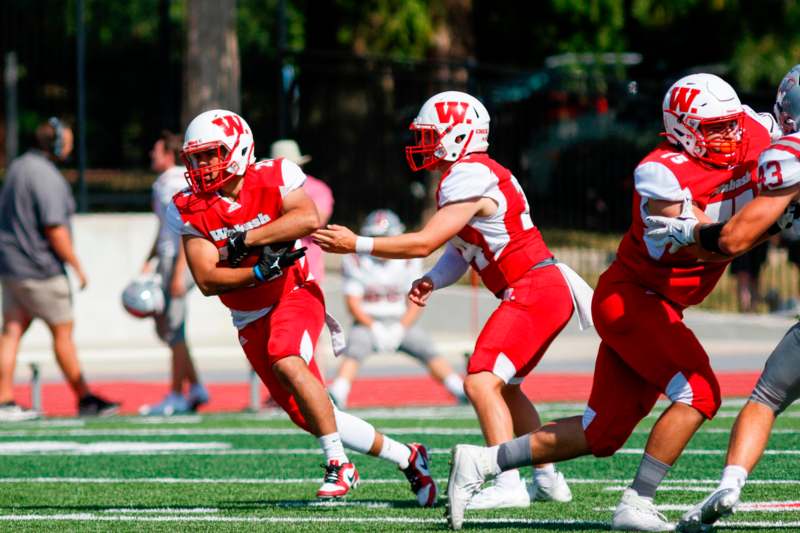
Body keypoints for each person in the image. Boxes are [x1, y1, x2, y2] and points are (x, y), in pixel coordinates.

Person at [443, 74, 781, 531]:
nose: (729, 135)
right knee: (700, 393)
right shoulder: (661, 173)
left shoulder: (754, 131)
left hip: (656, 304)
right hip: (633, 299)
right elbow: (718, 246)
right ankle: (636, 501)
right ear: (681, 129)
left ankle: (481, 463)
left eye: (730, 123)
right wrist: (780, 220)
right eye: (714, 128)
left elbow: (782, 142)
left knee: (600, 434)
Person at [315, 91, 593, 510]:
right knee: (509, 389)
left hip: (533, 288)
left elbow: (425, 240)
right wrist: (433, 280)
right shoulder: (475, 173)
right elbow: (461, 249)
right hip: (539, 286)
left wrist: (358, 243)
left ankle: (506, 482)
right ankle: (548, 477)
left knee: (480, 380)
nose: (424, 144)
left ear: (459, 135)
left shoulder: (469, 174)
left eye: (431, 135)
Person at [169, 109, 436, 505]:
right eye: (197, 157)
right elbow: (207, 278)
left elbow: (306, 218)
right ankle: (408, 458)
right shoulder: (193, 206)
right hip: (249, 314)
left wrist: (247, 240)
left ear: (239, 149)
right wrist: (257, 271)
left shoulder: (273, 175)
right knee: (308, 414)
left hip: (294, 292)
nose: (203, 165)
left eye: (212, 154)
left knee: (286, 357)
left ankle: (339, 464)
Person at [644, 64, 800, 533]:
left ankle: (731, 483)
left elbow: (734, 239)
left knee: (765, 397)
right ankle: (728, 484)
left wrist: (691, 229)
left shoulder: (790, 154)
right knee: (766, 394)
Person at [0, 118, 120, 419]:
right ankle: (84, 397)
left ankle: (4, 400)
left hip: (12, 266)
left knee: (12, 331)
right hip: (40, 269)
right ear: (55, 144)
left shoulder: (18, 167)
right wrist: (77, 266)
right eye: (66, 140)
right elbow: (55, 229)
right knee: (63, 332)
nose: (70, 146)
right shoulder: (47, 177)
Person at [328, 209, 467, 409]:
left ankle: (458, 389)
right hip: (368, 322)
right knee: (355, 348)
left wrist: (401, 327)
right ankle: (338, 393)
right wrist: (374, 327)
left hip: (400, 320)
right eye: (376, 237)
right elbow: (353, 302)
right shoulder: (355, 260)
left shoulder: (409, 259)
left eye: (385, 237)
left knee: (426, 348)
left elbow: (415, 300)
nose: (380, 241)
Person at [136, 131, 209, 416]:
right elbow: (164, 227)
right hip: (168, 258)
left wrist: (179, 271)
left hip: (179, 259)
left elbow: (184, 229)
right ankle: (197, 386)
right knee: (169, 327)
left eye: (156, 151)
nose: (152, 156)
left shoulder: (174, 183)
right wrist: (150, 258)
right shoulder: (165, 183)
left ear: (169, 154)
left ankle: (177, 394)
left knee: (174, 327)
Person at [270, 139, 333, 283]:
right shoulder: (265, 190)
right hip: (273, 272)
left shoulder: (318, 189)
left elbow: (314, 221)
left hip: (308, 271)